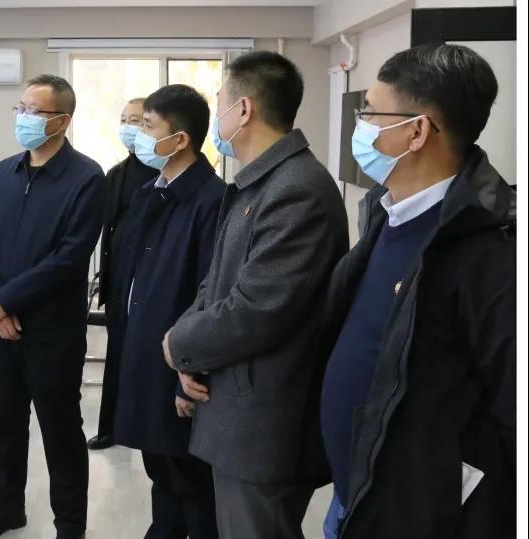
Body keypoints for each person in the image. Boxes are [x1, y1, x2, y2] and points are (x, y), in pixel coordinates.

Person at [318, 43, 514, 539]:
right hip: (355, 495)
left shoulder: (491, 250)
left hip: (419, 514)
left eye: (369, 113)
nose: (360, 125)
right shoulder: (386, 212)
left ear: (417, 131)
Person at [162, 51, 348, 539]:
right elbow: (215, 282)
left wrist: (178, 344)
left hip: (263, 425)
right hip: (235, 412)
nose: (216, 115)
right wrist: (186, 344)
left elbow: (256, 310)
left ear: (242, 109)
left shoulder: (296, 189)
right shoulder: (257, 183)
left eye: (220, 101)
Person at [0, 74, 104, 539]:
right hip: (2, 328)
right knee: (4, 425)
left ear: (62, 121)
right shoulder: (4, 171)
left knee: (60, 431)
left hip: (53, 330)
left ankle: (70, 526)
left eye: (34, 111)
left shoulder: (86, 177)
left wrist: (6, 300)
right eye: (20, 108)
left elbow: (70, 257)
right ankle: (7, 510)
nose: (23, 118)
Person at [109, 85, 225, 538]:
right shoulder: (151, 191)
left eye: (147, 126)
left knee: (190, 481)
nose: (138, 135)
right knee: (160, 470)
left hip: (179, 365)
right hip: (145, 351)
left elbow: (209, 295)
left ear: (179, 140)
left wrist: (189, 372)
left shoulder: (211, 200)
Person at [87, 96, 159, 451]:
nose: (129, 127)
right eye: (124, 120)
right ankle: (111, 428)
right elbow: (108, 230)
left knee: (150, 358)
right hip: (118, 280)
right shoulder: (116, 174)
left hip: (152, 282)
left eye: (137, 121)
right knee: (117, 354)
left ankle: (147, 426)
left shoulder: (165, 172)